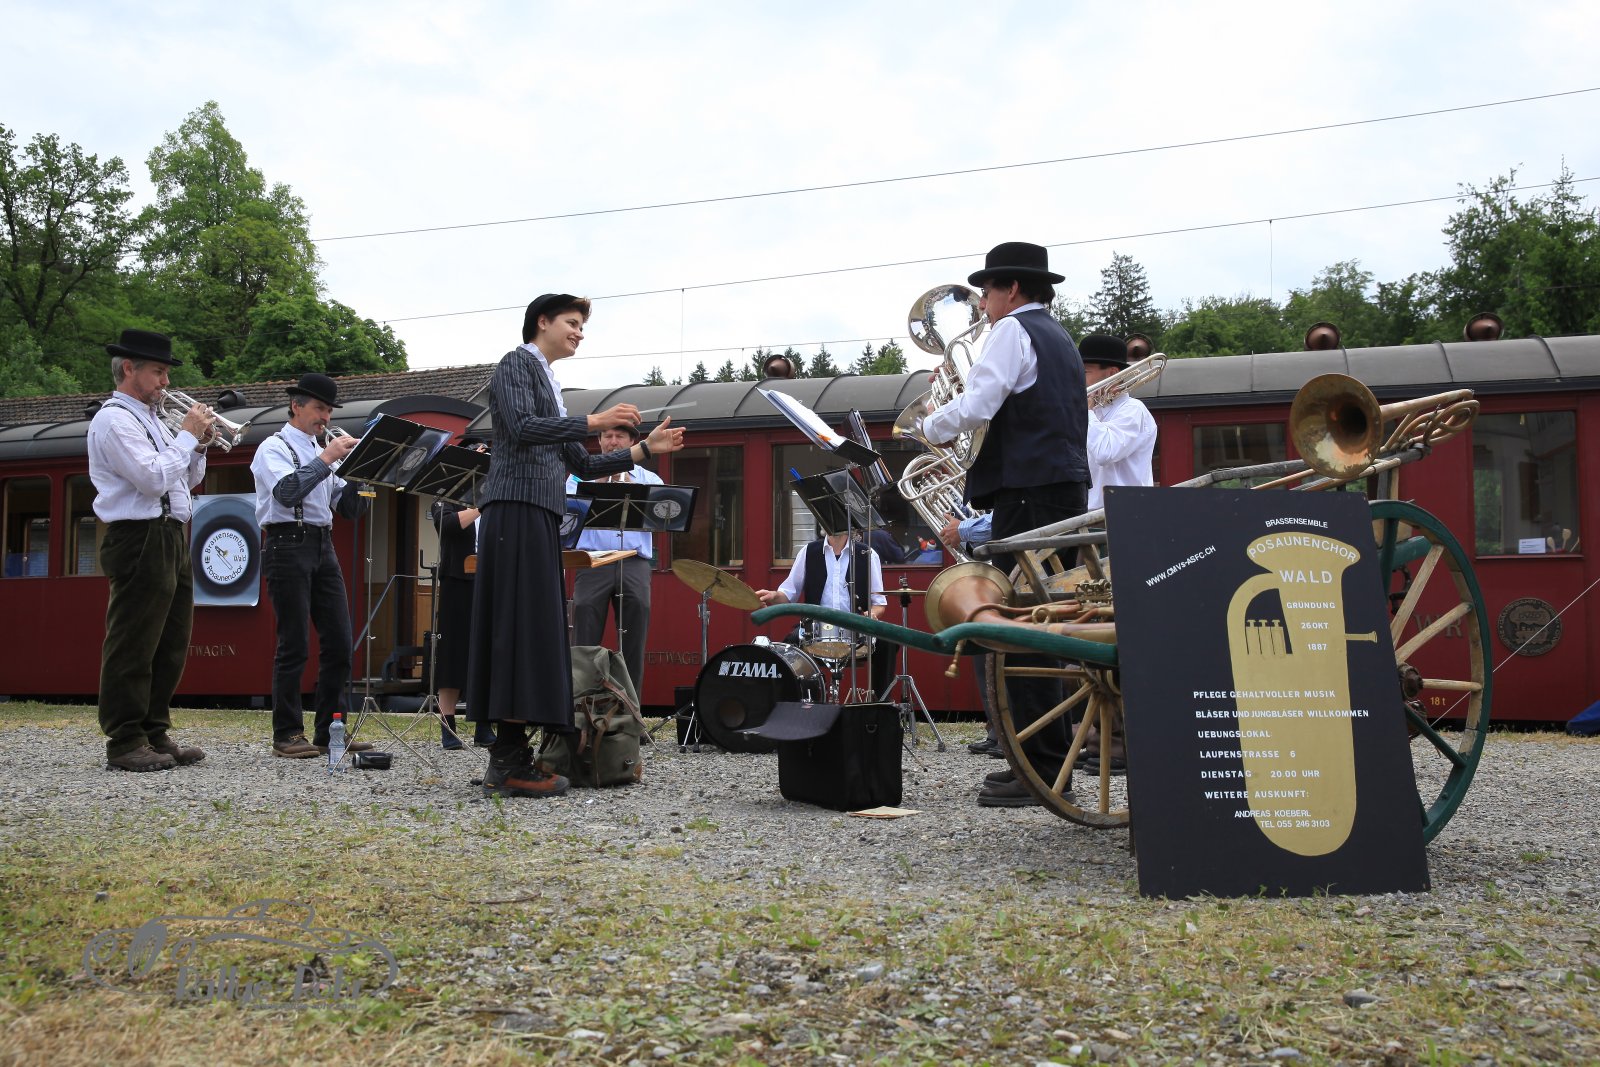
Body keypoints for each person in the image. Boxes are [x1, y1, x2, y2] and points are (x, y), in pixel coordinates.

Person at [467, 293, 685, 799]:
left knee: (533, 633)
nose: (579, 332)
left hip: (539, 515)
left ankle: (513, 754)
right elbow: (521, 429)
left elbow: (583, 466)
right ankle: (507, 759)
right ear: (541, 322)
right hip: (515, 509)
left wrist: (642, 449)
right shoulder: (516, 364)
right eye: (572, 322)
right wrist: (595, 421)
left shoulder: (550, 383)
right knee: (516, 630)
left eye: (582, 325)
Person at [921, 241, 1089, 808]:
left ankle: (1037, 768)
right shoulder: (1059, 337)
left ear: (1011, 289)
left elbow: (977, 405)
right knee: (1046, 622)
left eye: (987, 290)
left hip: (1030, 495)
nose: (982, 303)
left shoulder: (1013, 330)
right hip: (1062, 490)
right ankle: (1049, 761)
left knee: (1021, 627)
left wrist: (929, 425)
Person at [87, 329, 213, 771]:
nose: (165, 381)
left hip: (169, 533)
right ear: (129, 369)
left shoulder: (154, 420)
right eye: (158, 371)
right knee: (134, 640)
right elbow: (152, 478)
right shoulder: (114, 420)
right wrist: (186, 436)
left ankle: (154, 731)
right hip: (138, 535)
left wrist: (198, 445)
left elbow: (185, 479)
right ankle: (125, 739)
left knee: (171, 641)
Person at [250, 372, 374, 760]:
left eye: (329, 410)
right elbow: (287, 491)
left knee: (339, 641)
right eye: (319, 408)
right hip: (286, 542)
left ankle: (330, 732)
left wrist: (364, 474)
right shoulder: (273, 447)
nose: (325, 417)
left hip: (323, 543)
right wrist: (329, 457)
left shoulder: (323, 452)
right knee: (294, 643)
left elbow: (351, 509)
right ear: (296, 406)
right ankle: (287, 733)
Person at [570, 420, 663, 700]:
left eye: (619, 436)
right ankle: (580, 704)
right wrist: (599, 481)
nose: (612, 442)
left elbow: (662, 515)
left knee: (634, 633)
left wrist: (630, 485)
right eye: (607, 436)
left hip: (634, 561)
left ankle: (631, 706)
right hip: (592, 560)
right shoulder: (578, 477)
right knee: (585, 625)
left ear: (632, 441)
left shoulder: (648, 478)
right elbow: (568, 513)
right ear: (599, 441)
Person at [756, 529, 890, 693]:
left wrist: (871, 614)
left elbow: (879, 604)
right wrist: (773, 595)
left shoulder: (868, 554)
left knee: (887, 644)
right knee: (789, 645)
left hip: (856, 629)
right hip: (814, 629)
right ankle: (799, 698)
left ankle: (881, 700)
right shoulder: (808, 552)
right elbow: (787, 595)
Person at [430, 436, 495, 749]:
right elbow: (447, 526)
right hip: (458, 578)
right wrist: (480, 507)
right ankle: (448, 724)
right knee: (453, 653)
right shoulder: (448, 493)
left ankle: (484, 723)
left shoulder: (496, 492)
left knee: (488, 651)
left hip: (491, 576)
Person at [1080, 333, 1157, 511]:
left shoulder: (1134, 410)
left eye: (1084, 372)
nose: (1077, 378)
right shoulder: (1091, 412)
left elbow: (1104, 452)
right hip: (1088, 516)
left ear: (1112, 373)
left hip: (1126, 514)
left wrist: (1086, 412)